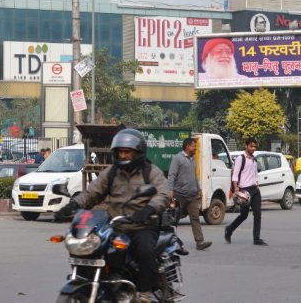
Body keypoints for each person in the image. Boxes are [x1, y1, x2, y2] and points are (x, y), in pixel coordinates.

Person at [55, 129, 171, 302]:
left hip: (143, 224)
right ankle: (107, 284)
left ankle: (145, 292)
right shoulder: (111, 172)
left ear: (138, 152)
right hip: (116, 225)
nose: (123, 155)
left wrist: (148, 210)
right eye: (120, 152)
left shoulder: (150, 172)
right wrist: (72, 205)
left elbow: (163, 194)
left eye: (127, 152)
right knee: (95, 249)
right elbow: (92, 193)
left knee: (144, 250)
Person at [168, 138, 211, 251]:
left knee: (195, 218)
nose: (195, 148)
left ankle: (200, 242)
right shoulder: (178, 158)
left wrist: (199, 189)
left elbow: (194, 176)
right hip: (180, 195)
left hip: (192, 196)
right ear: (187, 146)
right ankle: (168, 240)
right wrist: (170, 190)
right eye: (193, 146)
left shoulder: (193, 160)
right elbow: (172, 175)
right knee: (174, 220)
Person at [224, 137, 267, 246]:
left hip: (254, 190)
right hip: (244, 191)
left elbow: (255, 174)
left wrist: (257, 185)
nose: (253, 148)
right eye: (251, 146)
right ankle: (229, 229)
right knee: (244, 215)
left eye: (254, 146)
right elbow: (235, 174)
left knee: (258, 214)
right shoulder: (240, 159)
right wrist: (236, 188)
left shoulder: (254, 160)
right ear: (246, 146)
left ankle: (256, 239)